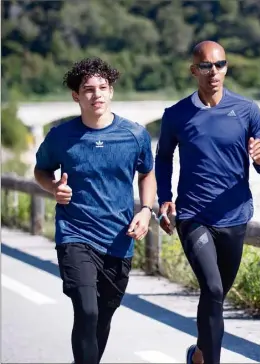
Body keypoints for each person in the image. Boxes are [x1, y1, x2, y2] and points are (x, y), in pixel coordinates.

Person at [155, 41, 260, 364]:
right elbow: (164, 158)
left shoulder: (247, 110)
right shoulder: (176, 115)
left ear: (226, 67)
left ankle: (199, 355)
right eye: (206, 66)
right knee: (210, 289)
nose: (214, 72)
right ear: (193, 70)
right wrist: (164, 200)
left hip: (235, 216)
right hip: (194, 215)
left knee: (217, 296)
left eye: (220, 65)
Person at [34, 57, 157, 364]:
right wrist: (53, 188)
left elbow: (147, 174)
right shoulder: (61, 137)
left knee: (103, 316)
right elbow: (41, 170)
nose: (97, 95)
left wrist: (145, 211)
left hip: (118, 238)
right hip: (75, 233)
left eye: (103, 87)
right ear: (76, 95)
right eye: (88, 89)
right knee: (86, 310)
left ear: (111, 91)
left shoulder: (134, 135)